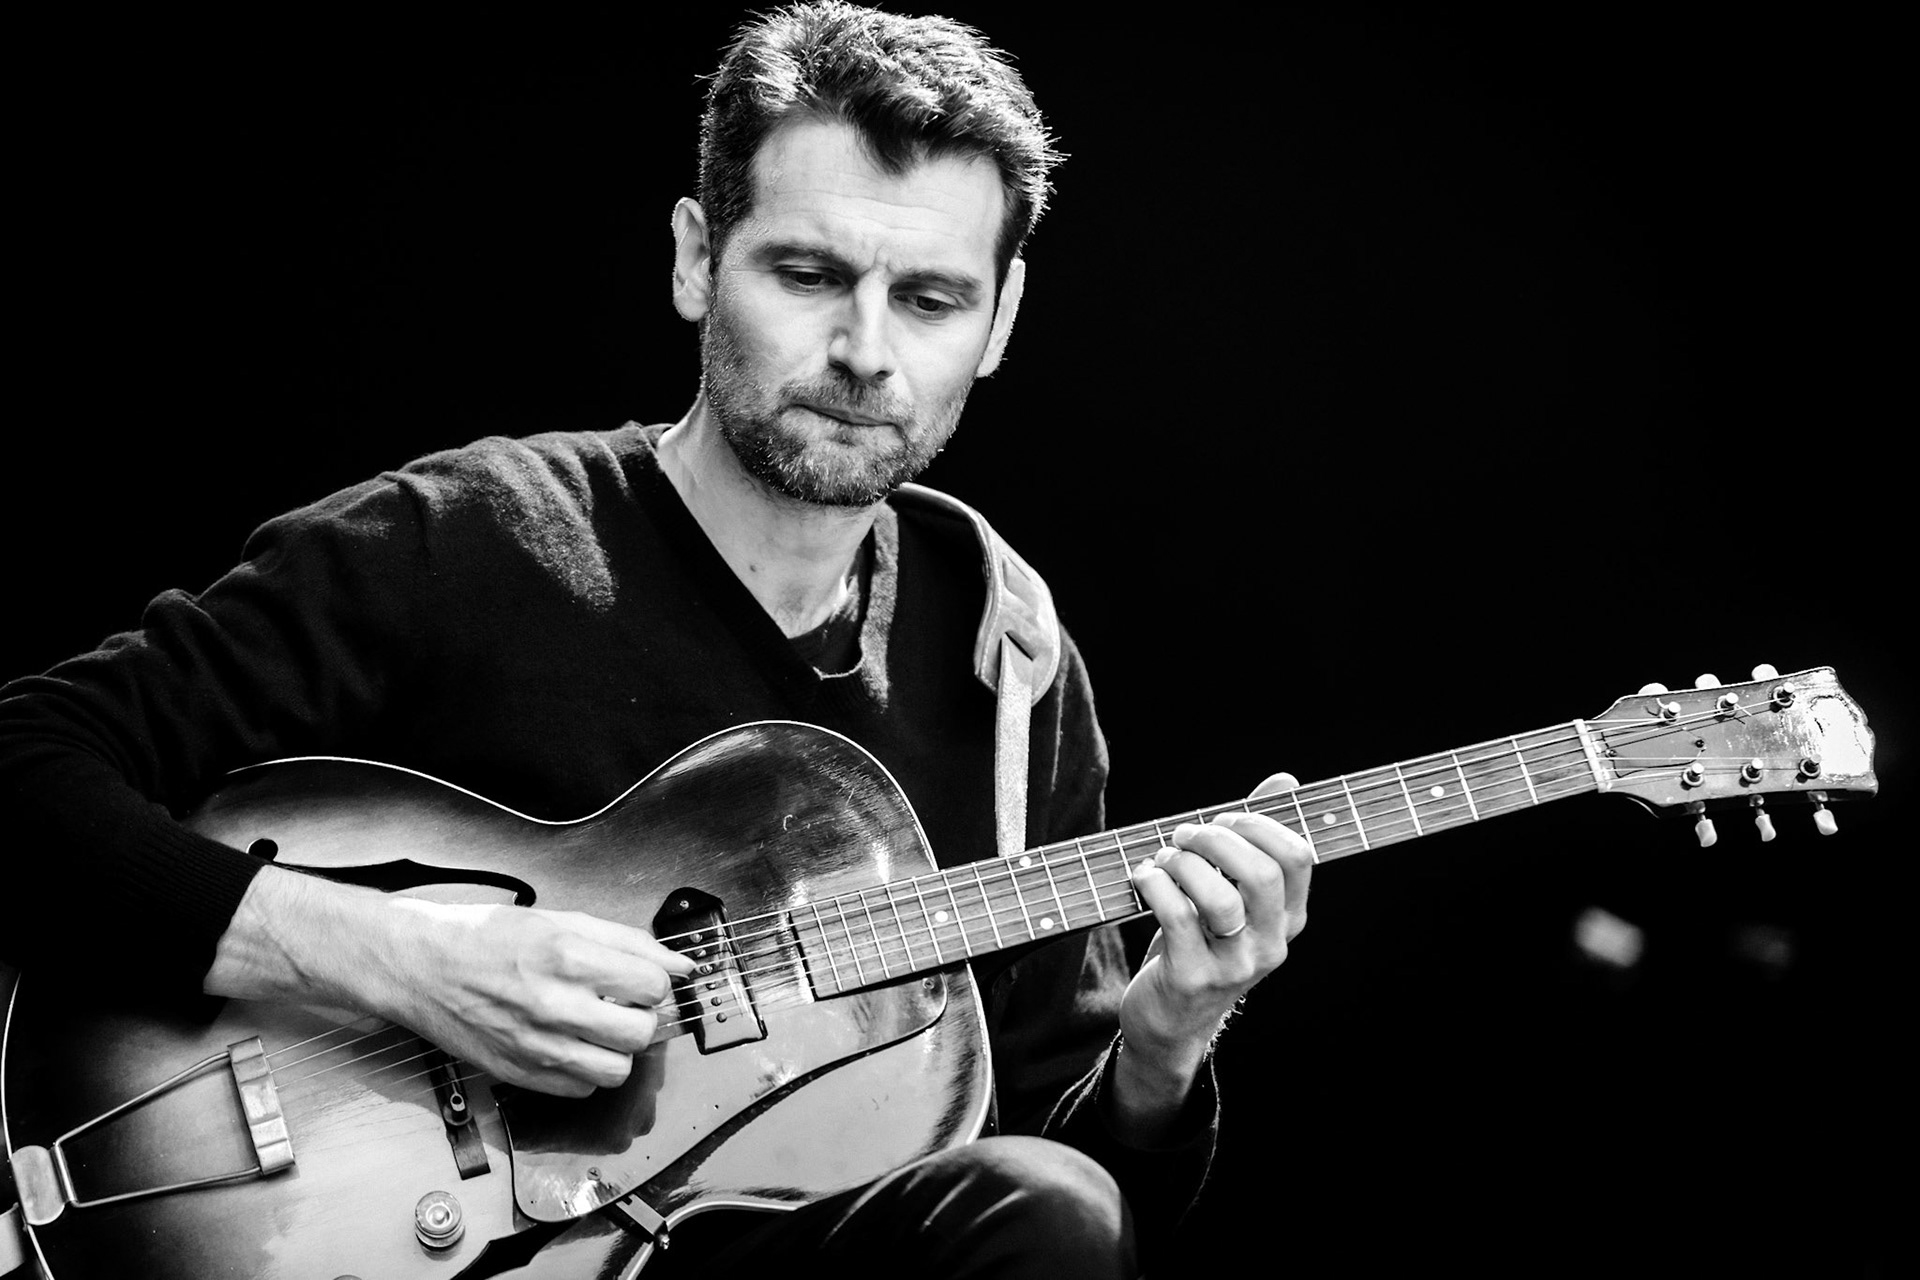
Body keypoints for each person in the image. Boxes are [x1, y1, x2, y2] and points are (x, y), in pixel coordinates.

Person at [0, 5, 1312, 1276]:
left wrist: (1163, 1042)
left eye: (929, 299)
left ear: (1004, 316)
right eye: (808, 274)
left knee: (1050, 1203)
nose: (865, 350)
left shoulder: (1007, 662)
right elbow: (20, 774)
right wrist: (401, 959)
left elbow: (1064, 1214)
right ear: (695, 258)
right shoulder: (469, 539)